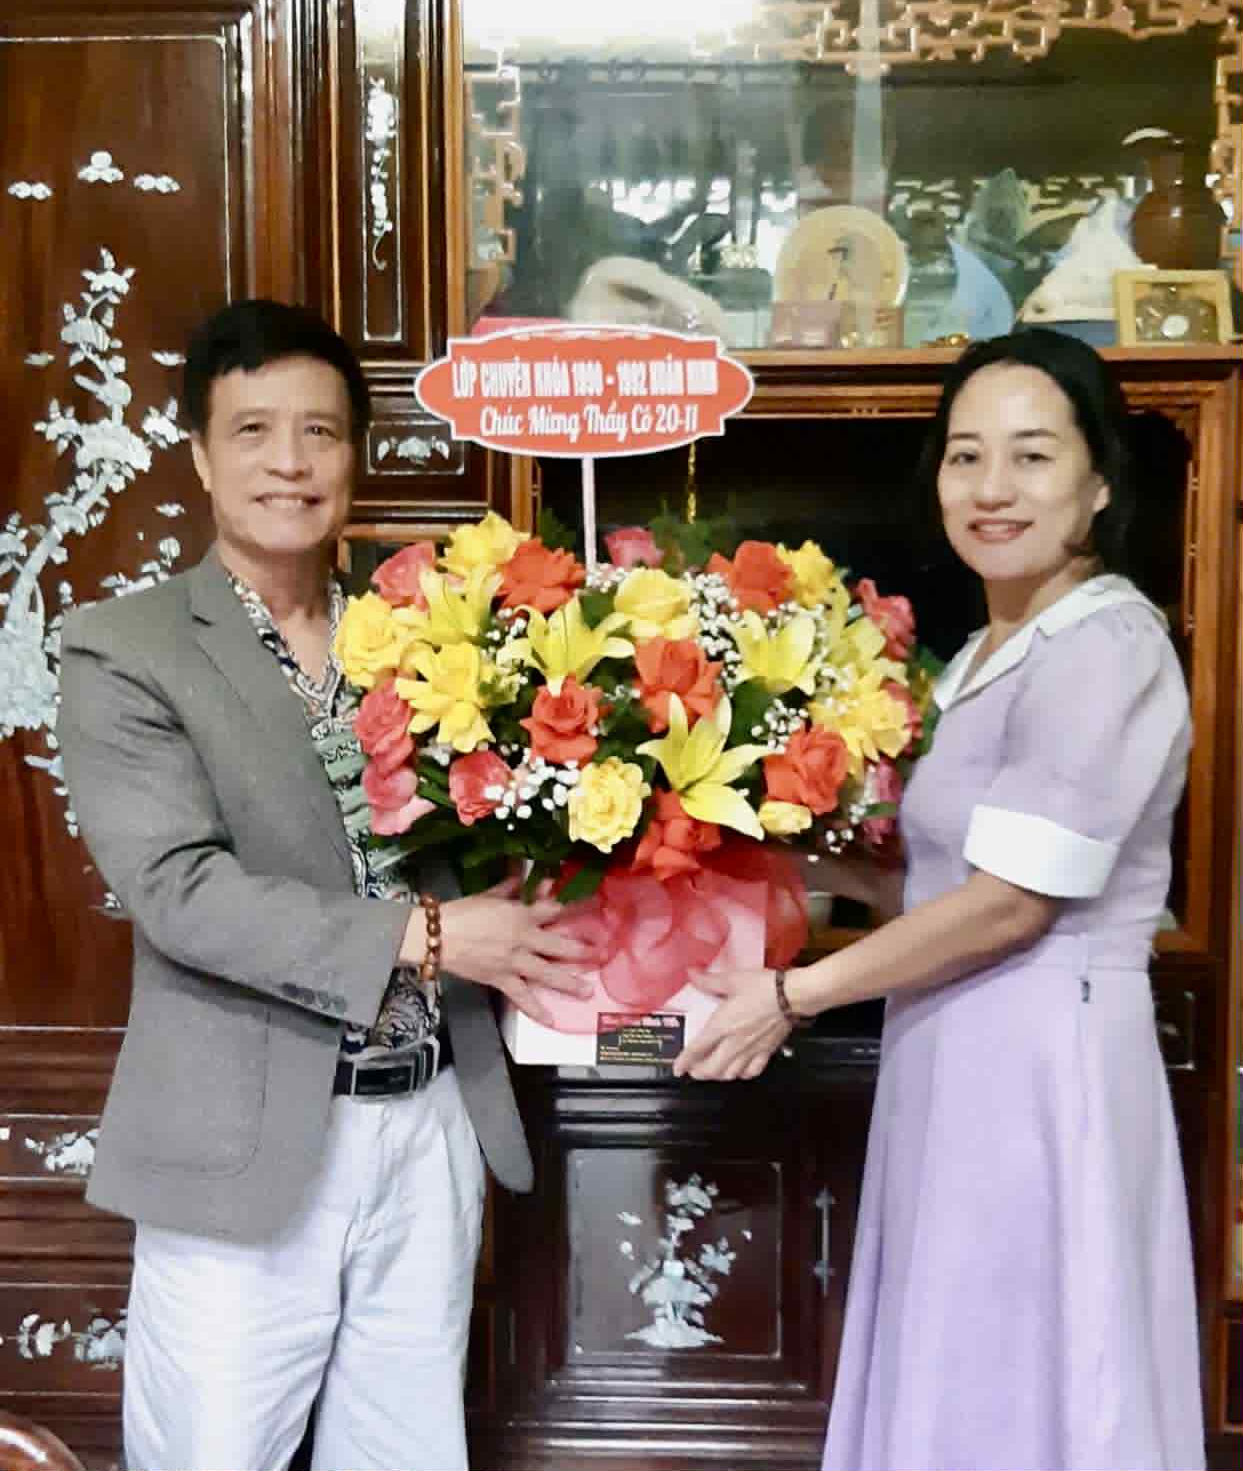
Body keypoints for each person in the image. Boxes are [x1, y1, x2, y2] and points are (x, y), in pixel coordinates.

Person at [57, 300, 594, 1471]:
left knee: (405, 1452)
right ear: (202, 457)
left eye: (320, 431)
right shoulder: (126, 647)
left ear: (356, 454)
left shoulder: (428, 636)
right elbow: (180, 891)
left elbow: (502, 825)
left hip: (432, 1116)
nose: (290, 463)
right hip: (244, 1141)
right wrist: (433, 935)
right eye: (253, 431)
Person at [674, 327, 1204, 1471]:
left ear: (1099, 482)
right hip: (955, 1043)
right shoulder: (981, 655)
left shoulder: (1106, 645)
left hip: (1041, 1058)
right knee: (956, 1354)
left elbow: (1012, 903)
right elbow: (936, 874)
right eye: (966, 456)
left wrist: (793, 992)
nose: (991, 487)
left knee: (1022, 1364)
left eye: (1031, 455)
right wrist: (750, 859)